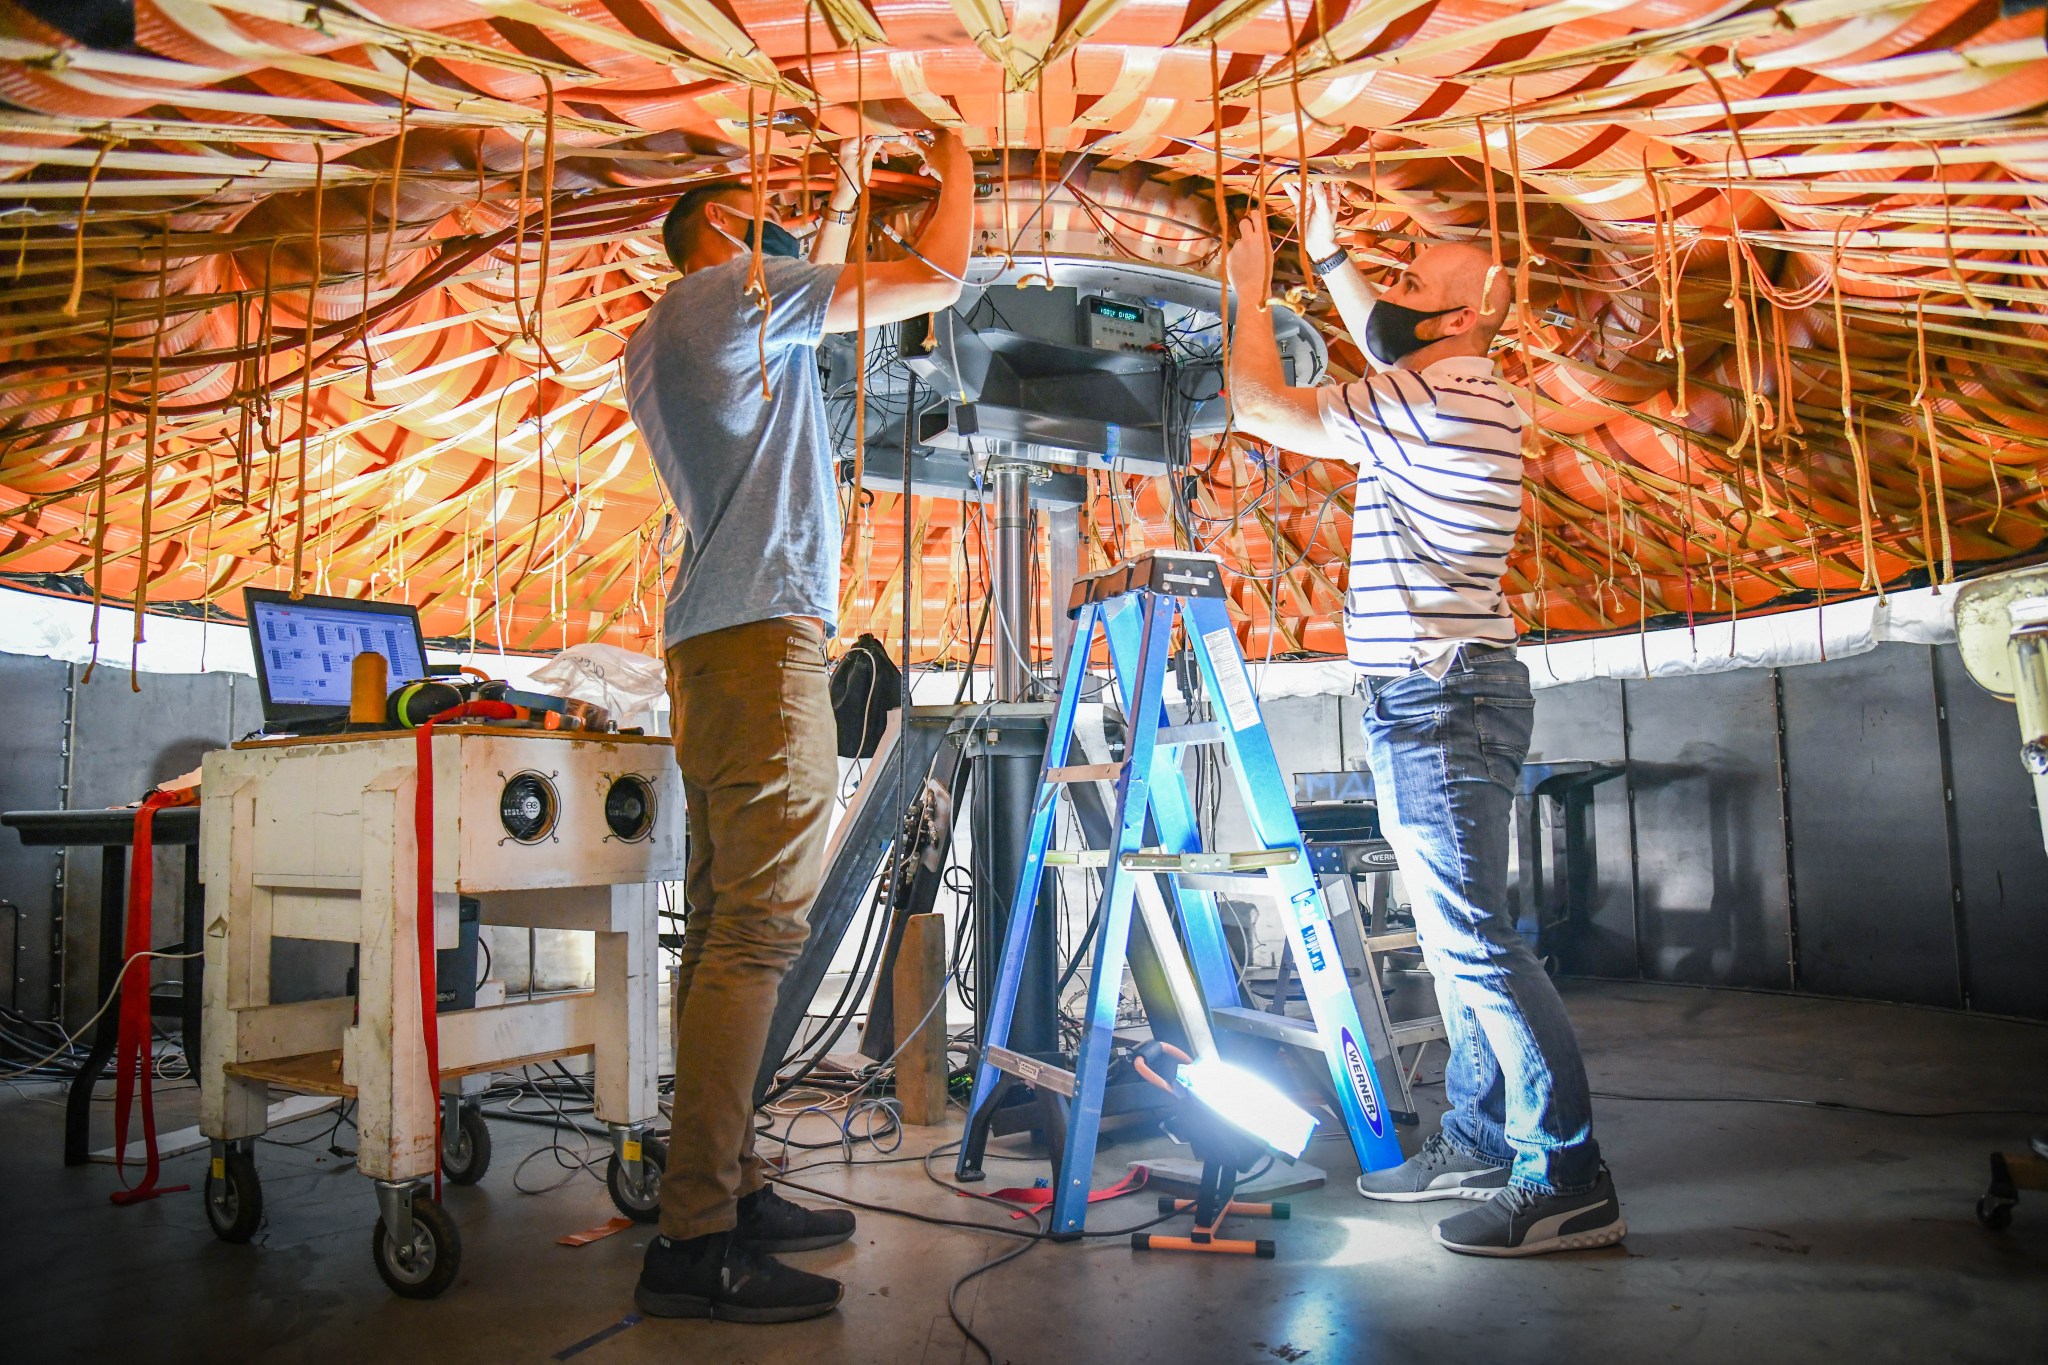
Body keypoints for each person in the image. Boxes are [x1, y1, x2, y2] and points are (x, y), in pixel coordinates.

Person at [1222, 187, 1624, 1257]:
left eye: (1409, 285)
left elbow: (1256, 406)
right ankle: (1482, 1137)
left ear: (1451, 324)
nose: (1387, 296)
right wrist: (1329, 251)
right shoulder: (1455, 381)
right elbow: (1383, 336)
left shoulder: (1434, 396)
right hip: (1442, 693)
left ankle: (1568, 1175)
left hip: (1441, 702)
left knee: (1472, 945)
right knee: (1456, 952)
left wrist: (1249, 293)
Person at [620, 129, 975, 1322]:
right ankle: (695, 1241)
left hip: (715, 645)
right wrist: (957, 157)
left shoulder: (678, 325)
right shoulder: (731, 292)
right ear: (721, 238)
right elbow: (934, 277)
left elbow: (812, 281)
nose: (778, 224)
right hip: (765, 642)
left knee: (723, 926)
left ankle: (722, 1183)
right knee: (753, 940)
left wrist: (827, 202)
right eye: (757, 211)